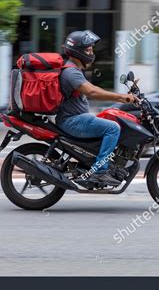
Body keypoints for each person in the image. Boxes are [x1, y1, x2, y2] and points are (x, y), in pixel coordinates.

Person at [56, 30, 139, 186]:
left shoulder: (74, 70)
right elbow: (92, 92)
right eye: (88, 50)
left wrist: (122, 95)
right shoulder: (71, 71)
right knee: (113, 128)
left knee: (109, 118)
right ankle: (99, 172)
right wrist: (122, 97)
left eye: (91, 49)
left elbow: (91, 87)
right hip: (72, 120)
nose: (91, 52)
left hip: (75, 118)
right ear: (78, 51)